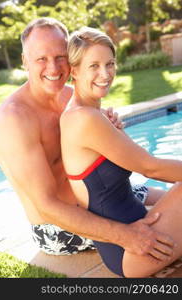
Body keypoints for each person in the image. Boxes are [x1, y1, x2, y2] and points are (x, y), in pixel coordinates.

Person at [0, 18, 175, 262]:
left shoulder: (72, 97)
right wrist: (125, 236)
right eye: (41, 59)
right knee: (170, 229)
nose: (53, 68)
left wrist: (113, 129)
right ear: (25, 61)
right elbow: (46, 205)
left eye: (60, 57)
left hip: (105, 199)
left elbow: (112, 152)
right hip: (59, 226)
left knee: (174, 200)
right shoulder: (13, 120)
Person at [60, 26, 182, 278]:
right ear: (74, 71)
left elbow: (134, 158)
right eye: (94, 65)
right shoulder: (84, 118)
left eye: (110, 63)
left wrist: (118, 133)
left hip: (139, 235)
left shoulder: (89, 114)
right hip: (132, 251)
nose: (105, 73)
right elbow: (150, 167)